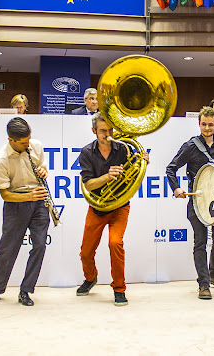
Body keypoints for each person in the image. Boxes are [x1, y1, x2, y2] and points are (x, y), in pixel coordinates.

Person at [76, 112, 149, 306]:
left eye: (110, 130)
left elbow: (133, 173)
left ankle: (119, 288)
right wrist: (107, 177)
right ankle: (91, 278)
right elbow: (88, 185)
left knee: (115, 243)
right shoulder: (86, 153)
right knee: (85, 252)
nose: (108, 134)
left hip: (119, 207)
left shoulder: (124, 148)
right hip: (97, 206)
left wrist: (142, 161)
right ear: (94, 131)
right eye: (102, 131)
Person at [166, 106, 214, 300]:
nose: (207, 128)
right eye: (203, 124)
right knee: (200, 241)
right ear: (199, 123)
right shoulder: (191, 146)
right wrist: (176, 188)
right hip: (197, 201)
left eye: (210, 125)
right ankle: (203, 284)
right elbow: (171, 168)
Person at [0, 117, 50, 307]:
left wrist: (43, 171)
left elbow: (44, 167)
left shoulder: (36, 146)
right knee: (8, 248)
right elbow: (5, 194)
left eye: (29, 140)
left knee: (39, 245)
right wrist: (28, 197)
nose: (28, 145)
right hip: (17, 202)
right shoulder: (0, 160)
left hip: (39, 200)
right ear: (11, 140)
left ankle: (26, 290)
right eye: (23, 143)